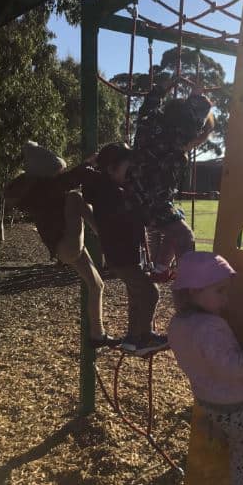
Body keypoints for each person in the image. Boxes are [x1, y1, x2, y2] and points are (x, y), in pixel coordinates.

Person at [168, 251, 243, 485]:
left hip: (206, 400)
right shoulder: (210, 328)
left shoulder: (177, 324)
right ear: (194, 292)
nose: (226, 298)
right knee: (241, 458)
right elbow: (231, 366)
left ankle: (215, 432)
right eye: (220, 291)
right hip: (236, 406)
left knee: (220, 427)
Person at [5, 141, 118, 348]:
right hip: (68, 244)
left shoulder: (41, 190)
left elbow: (67, 180)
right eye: (58, 171)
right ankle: (109, 236)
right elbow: (71, 179)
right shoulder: (45, 189)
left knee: (97, 285)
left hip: (66, 247)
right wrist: (88, 164)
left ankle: (97, 335)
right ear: (47, 172)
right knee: (76, 197)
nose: (60, 174)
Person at [84, 142, 168, 356]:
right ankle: (144, 336)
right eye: (127, 170)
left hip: (122, 255)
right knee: (150, 292)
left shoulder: (107, 189)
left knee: (136, 294)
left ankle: (133, 338)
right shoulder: (110, 193)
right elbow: (131, 216)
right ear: (111, 169)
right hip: (123, 257)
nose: (131, 175)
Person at [128, 81, 214, 282]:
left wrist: (165, 85)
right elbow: (196, 122)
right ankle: (188, 286)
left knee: (177, 216)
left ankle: (160, 269)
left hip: (132, 192)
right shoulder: (177, 143)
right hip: (150, 201)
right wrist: (198, 98)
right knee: (185, 236)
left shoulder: (149, 122)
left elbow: (150, 101)